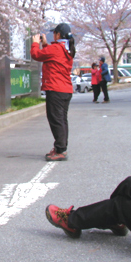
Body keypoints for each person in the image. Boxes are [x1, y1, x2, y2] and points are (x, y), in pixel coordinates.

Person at [31, 23, 76, 161]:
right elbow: (51, 56)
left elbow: (36, 55)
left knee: (56, 120)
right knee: (62, 120)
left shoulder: (56, 48)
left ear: (57, 35)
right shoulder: (67, 49)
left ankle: (60, 149)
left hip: (55, 89)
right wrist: (45, 44)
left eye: (54, 34)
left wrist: (35, 43)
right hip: (65, 89)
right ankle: (60, 147)